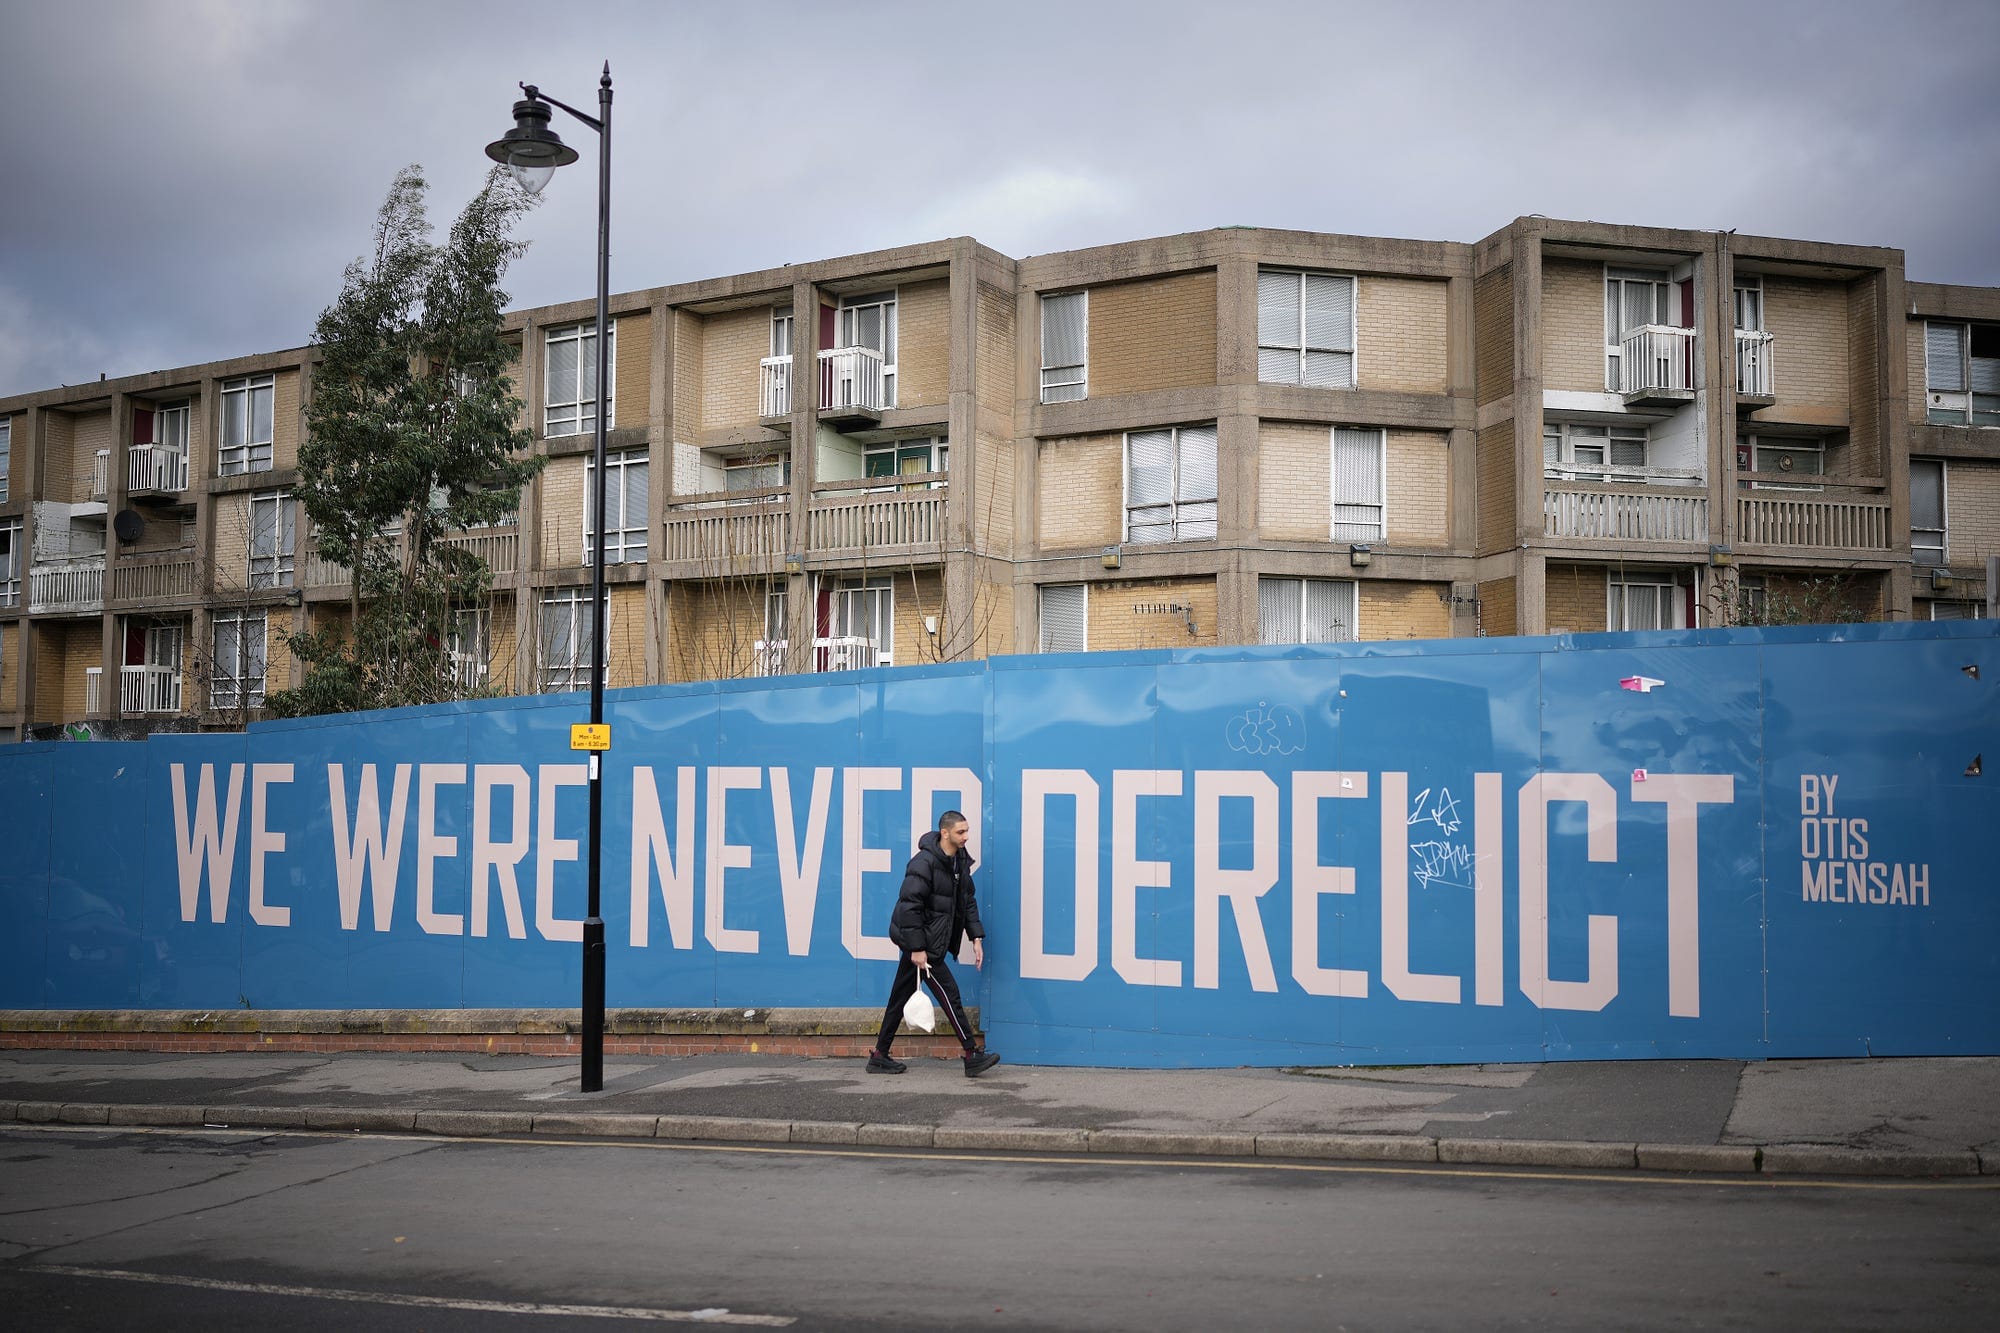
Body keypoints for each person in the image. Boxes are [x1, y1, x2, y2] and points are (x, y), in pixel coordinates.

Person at [868, 809, 1001, 1077]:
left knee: (899, 998)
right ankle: (971, 1054)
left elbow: (968, 900)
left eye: (967, 830)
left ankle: (880, 1056)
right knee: (950, 995)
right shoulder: (923, 863)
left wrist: (975, 938)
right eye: (961, 832)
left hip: (929, 941)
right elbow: (909, 907)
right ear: (945, 833)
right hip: (924, 945)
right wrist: (917, 949)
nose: (966, 836)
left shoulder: (959, 861)